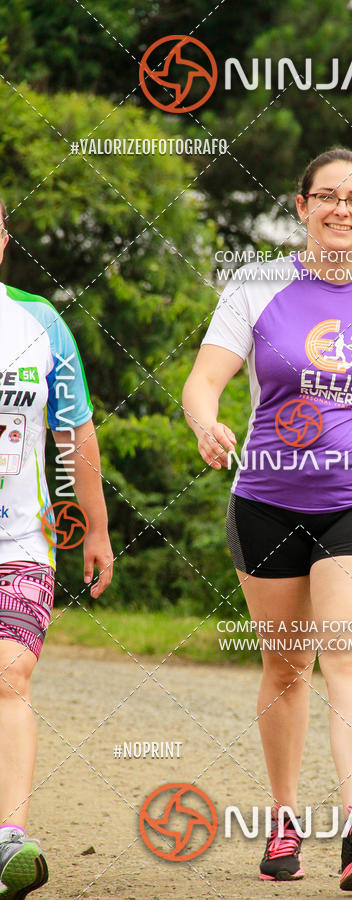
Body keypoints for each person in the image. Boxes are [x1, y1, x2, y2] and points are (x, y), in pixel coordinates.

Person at [183, 148, 352, 891]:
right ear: (302, 205)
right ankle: (284, 824)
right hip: (267, 502)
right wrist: (204, 423)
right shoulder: (255, 287)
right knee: (286, 669)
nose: (341, 209)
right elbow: (204, 379)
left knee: (349, 654)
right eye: (327, 197)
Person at [0, 200, 113, 898]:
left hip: (21, 542)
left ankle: (8, 839)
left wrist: (95, 527)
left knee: (9, 674)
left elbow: (75, 433)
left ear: (4, 239)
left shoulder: (39, 323)